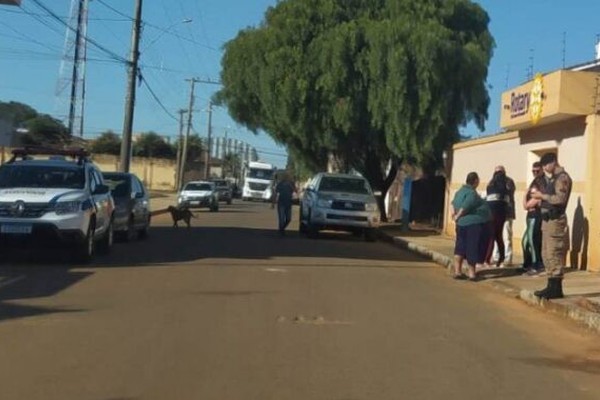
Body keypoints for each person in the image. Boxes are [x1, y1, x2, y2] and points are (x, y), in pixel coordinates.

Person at [530, 152, 572, 299]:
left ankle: (556, 288)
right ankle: (550, 285)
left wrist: (542, 196)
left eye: (546, 165)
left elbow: (560, 199)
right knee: (546, 253)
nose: (546, 169)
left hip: (556, 219)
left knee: (554, 253)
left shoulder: (562, 178)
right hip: (547, 220)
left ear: (553, 162)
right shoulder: (553, 179)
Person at [451, 172, 491, 281]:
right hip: (472, 224)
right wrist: (458, 216)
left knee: (460, 247)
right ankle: (472, 274)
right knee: (472, 247)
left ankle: (457, 271)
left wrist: (454, 216)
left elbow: (453, 204)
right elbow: (466, 206)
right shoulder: (472, 193)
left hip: (461, 224)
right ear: (476, 181)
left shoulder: (459, 192)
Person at [521, 162, 546, 275]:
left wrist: (525, 197)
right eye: (533, 171)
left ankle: (537, 265)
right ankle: (528, 264)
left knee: (532, 241)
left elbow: (527, 205)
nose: (535, 173)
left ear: (542, 170)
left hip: (535, 215)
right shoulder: (535, 182)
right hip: (530, 216)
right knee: (525, 241)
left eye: (537, 171)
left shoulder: (541, 183)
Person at [484, 168, 510, 267]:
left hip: (491, 215)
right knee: (499, 237)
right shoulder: (506, 189)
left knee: (491, 236)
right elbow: (507, 203)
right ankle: (501, 258)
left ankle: (487, 259)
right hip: (501, 215)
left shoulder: (490, 187)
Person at [492, 166, 516, 265]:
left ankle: (507, 258)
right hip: (496, 213)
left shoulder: (509, 182)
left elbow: (508, 193)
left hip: (507, 212)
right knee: (496, 236)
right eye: (497, 172)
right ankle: (496, 257)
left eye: (500, 172)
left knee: (507, 236)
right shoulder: (492, 182)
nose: (498, 174)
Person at [272, 172, 297, 236]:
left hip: (289, 204)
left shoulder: (292, 184)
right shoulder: (280, 184)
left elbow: (295, 191)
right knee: (281, 219)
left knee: (289, 219)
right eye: (286, 176)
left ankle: (282, 229)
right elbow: (275, 193)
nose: (287, 177)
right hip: (281, 203)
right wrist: (273, 203)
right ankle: (281, 232)